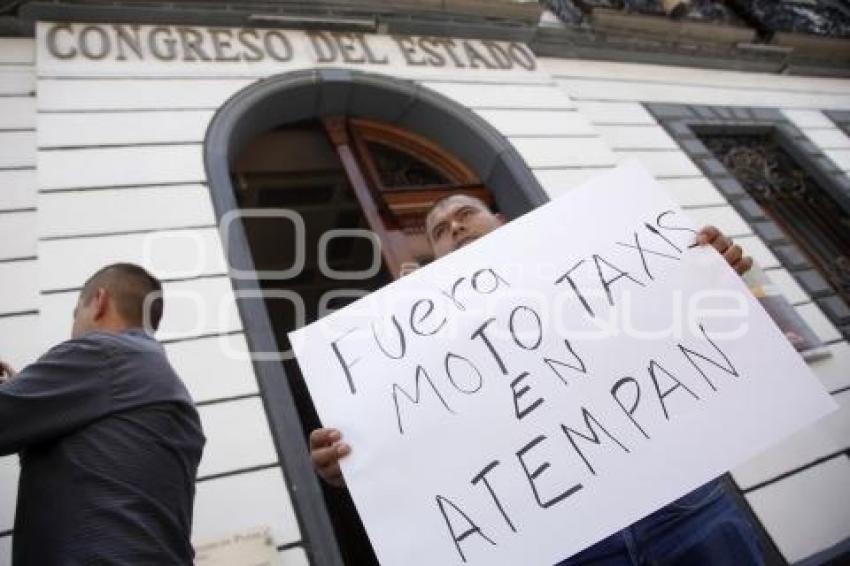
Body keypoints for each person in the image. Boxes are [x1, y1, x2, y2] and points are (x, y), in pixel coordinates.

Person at [309, 194, 764, 565]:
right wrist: (357, 467)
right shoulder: (412, 351)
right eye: (441, 231)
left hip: (684, 509)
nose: (456, 228)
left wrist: (710, 278)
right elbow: (419, 444)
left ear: (500, 220)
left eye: (466, 214)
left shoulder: (594, 262)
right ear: (434, 254)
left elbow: (674, 326)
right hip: (565, 550)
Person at [0, 263, 205, 565]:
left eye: (75, 313)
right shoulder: (168, 389)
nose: (73, 328)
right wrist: (31, 403)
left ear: (99, 301)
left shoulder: (104, 354)